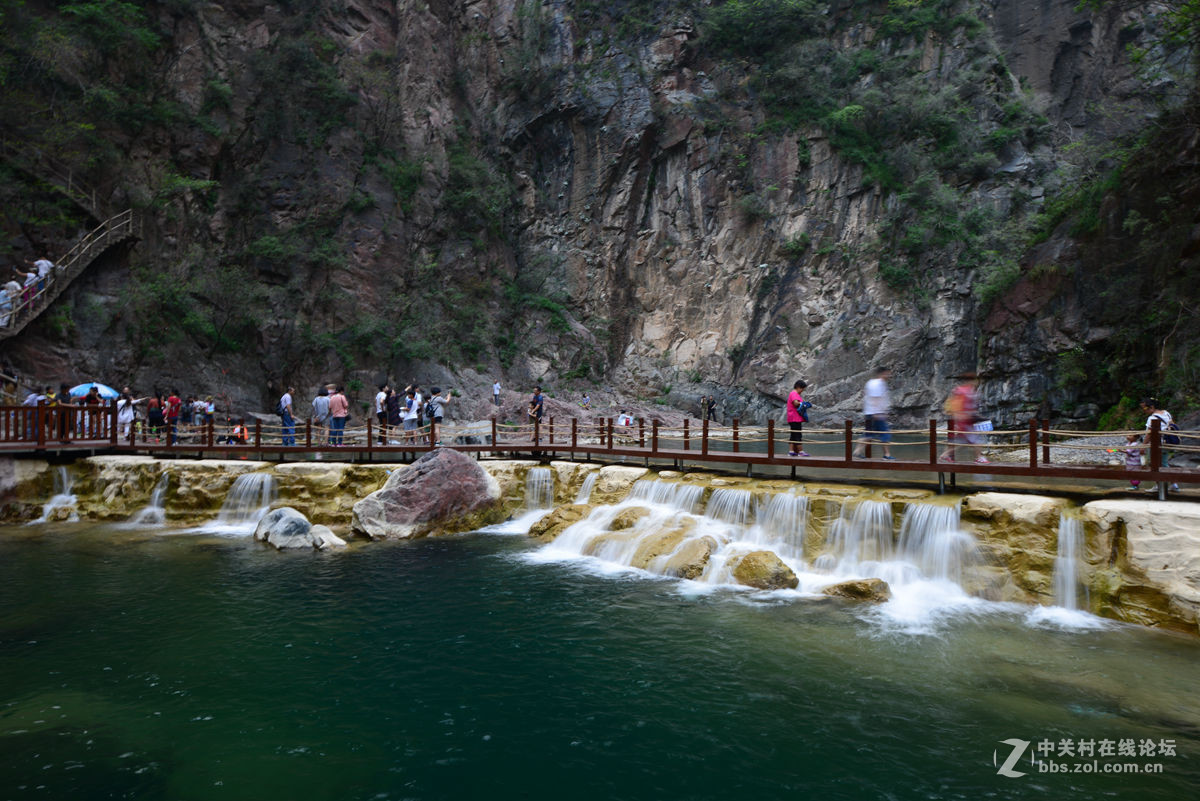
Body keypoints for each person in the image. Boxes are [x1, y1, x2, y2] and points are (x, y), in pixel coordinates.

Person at [939, 372, 986, 463]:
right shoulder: (965, 391)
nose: (977, 382)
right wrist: (962, 417)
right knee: (976, 439)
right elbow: (960, 407)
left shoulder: (961, 390)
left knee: (961, 440)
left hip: (966, 420)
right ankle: (979, 458)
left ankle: (945, 455)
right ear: (972, 380)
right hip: (966, 421)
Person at [1140, 397, 1180, 493]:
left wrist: (1143, 446)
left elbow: (1149, 434)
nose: (1143, 411)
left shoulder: (1152, 418)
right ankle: (1173, 485)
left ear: (1152, 407)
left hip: (1157, 445)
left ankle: (1159, 485)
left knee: (1155, 465)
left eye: (1144, 408)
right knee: (1164, 464)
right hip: (1167, 443)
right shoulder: (1166, 413)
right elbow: (1172, 425)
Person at [854, 367, 894, 460]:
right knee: (885, 434)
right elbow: (875, 398)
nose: (889, 375)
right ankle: (887, 455)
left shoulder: (872, 383)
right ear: (882, 373)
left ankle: (857, 452)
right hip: (876, 414)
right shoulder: (877, 384)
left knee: (868, 434)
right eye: (887, 373)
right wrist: (877, 413)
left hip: (871, 413)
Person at [786, 379, 810, 457]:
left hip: (792, 418)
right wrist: (803, 404)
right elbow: (795, 403)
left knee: (793, 435)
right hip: (795, 418)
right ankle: (800, 451)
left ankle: (791, 451)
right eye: (802, 389)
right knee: (798, 434)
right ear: (798, 387)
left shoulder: (793, 393)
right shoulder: (794, 393)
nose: (802, 391)